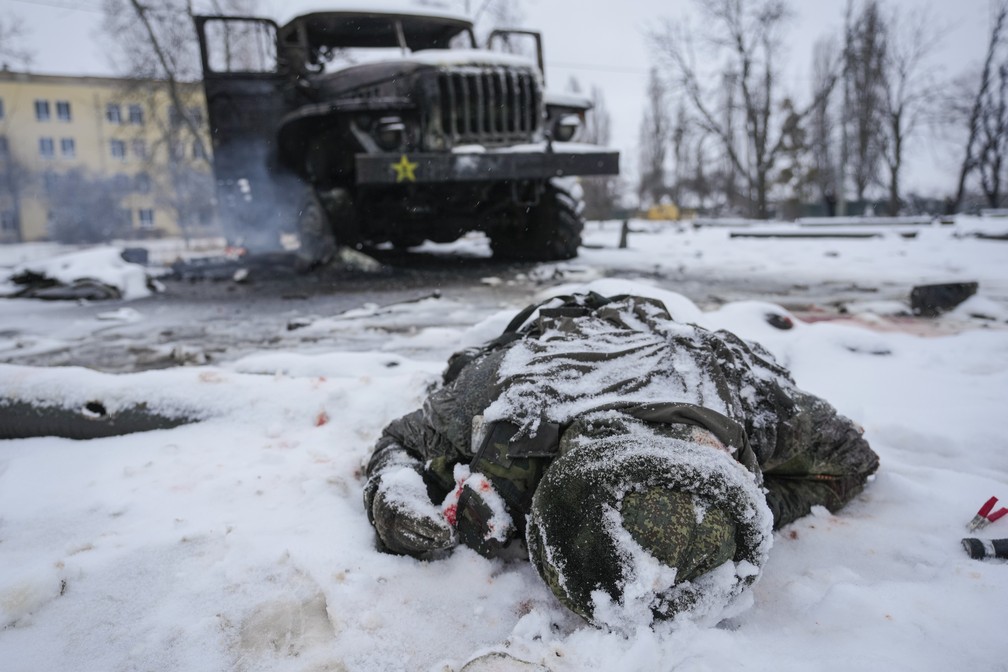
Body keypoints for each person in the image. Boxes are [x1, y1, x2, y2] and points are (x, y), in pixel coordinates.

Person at [363, 293, 879, 627]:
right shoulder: (510, 392)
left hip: (672, 332)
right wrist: (395, 500)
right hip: (561, 324)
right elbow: (402, 439)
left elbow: (854, 462)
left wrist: (759, 504)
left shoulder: (757, 402)